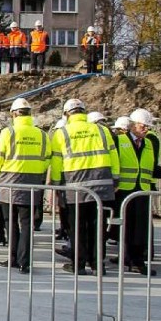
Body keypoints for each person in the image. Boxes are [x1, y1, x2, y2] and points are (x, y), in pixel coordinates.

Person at [50, 99, 119, 275]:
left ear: (67, 114)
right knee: (98, 227)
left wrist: (57, 185)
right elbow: (114, 156)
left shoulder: (62, 133)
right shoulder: (102, 130)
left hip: (75, 188)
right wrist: (115, 180)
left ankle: (78, 265)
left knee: (78, 228)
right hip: (101, 187)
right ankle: (97, 265)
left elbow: (57, 162)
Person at [0, 98, 50, 274]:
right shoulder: (41, 134)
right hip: (32, 184)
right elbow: (47, 159)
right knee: (26, 224)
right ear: (29, 114)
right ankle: (24, 262)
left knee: (10, 223)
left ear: (13, 114)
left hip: (9, 184)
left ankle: (13, 259)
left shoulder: (7, 132)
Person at [116, 108, 161, 275]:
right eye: (143, 126)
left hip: (142, 191)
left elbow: (150, 169)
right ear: (132, 125)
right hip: (124, 191)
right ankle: (127, 258)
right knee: (126, 227)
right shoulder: (119, 141)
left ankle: (138, 260)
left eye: (148, 127)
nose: (146, 129)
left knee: (140, 229)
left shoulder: (149, 144)